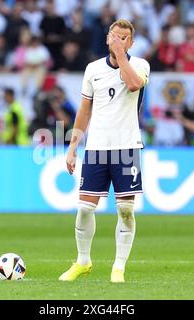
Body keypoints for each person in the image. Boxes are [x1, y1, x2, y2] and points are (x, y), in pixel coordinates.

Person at [59, 19, 150, 283]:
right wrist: (73, 146)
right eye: (115, 36)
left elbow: (134, 85)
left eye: (124, 38)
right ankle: (83, 261)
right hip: (97, 148)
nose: (119, 41)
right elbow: (84, 110)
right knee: (85, 209)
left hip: (127, 147)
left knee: (125, 210)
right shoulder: (92, 69)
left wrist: (121, 56)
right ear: (107, 38)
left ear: (130, 43)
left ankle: (118, 267)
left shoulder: (141, 65)